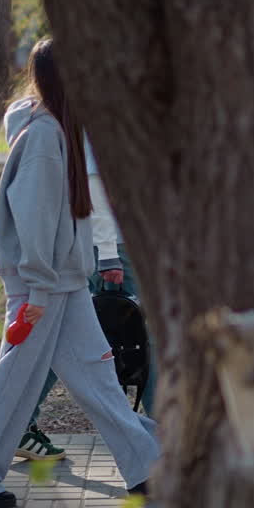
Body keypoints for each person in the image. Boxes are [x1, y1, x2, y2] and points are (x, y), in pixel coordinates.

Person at [0, 38, 158, 508]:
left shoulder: (61, 131)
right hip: (42, 287)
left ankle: (150, 468)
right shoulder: (42, 138)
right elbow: (35, 220)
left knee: (101, 383)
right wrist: (36, 289)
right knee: (11, 381)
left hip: (66, 285)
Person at [15, 143, 157, 462]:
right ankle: (167, 433)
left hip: (111, 246)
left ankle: (20, 423)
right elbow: (95, 184)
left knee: (62, 338)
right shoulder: (99, 110)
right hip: (111, 250)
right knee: (143, 339)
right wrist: (108, 255)